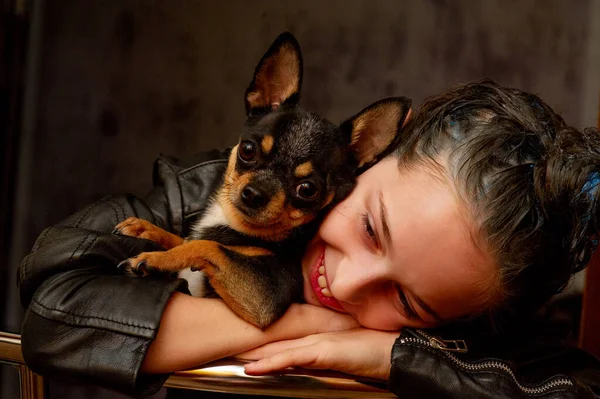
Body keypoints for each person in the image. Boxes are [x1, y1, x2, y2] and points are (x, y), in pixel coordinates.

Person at [18, 81, 600, 398]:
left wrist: (399, 356)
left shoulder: (470, 340)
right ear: (371, 156)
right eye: (371, 227)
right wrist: (310, 326)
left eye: (406, 303)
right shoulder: (221, 189)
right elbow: (52, 311)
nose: (343, 284)